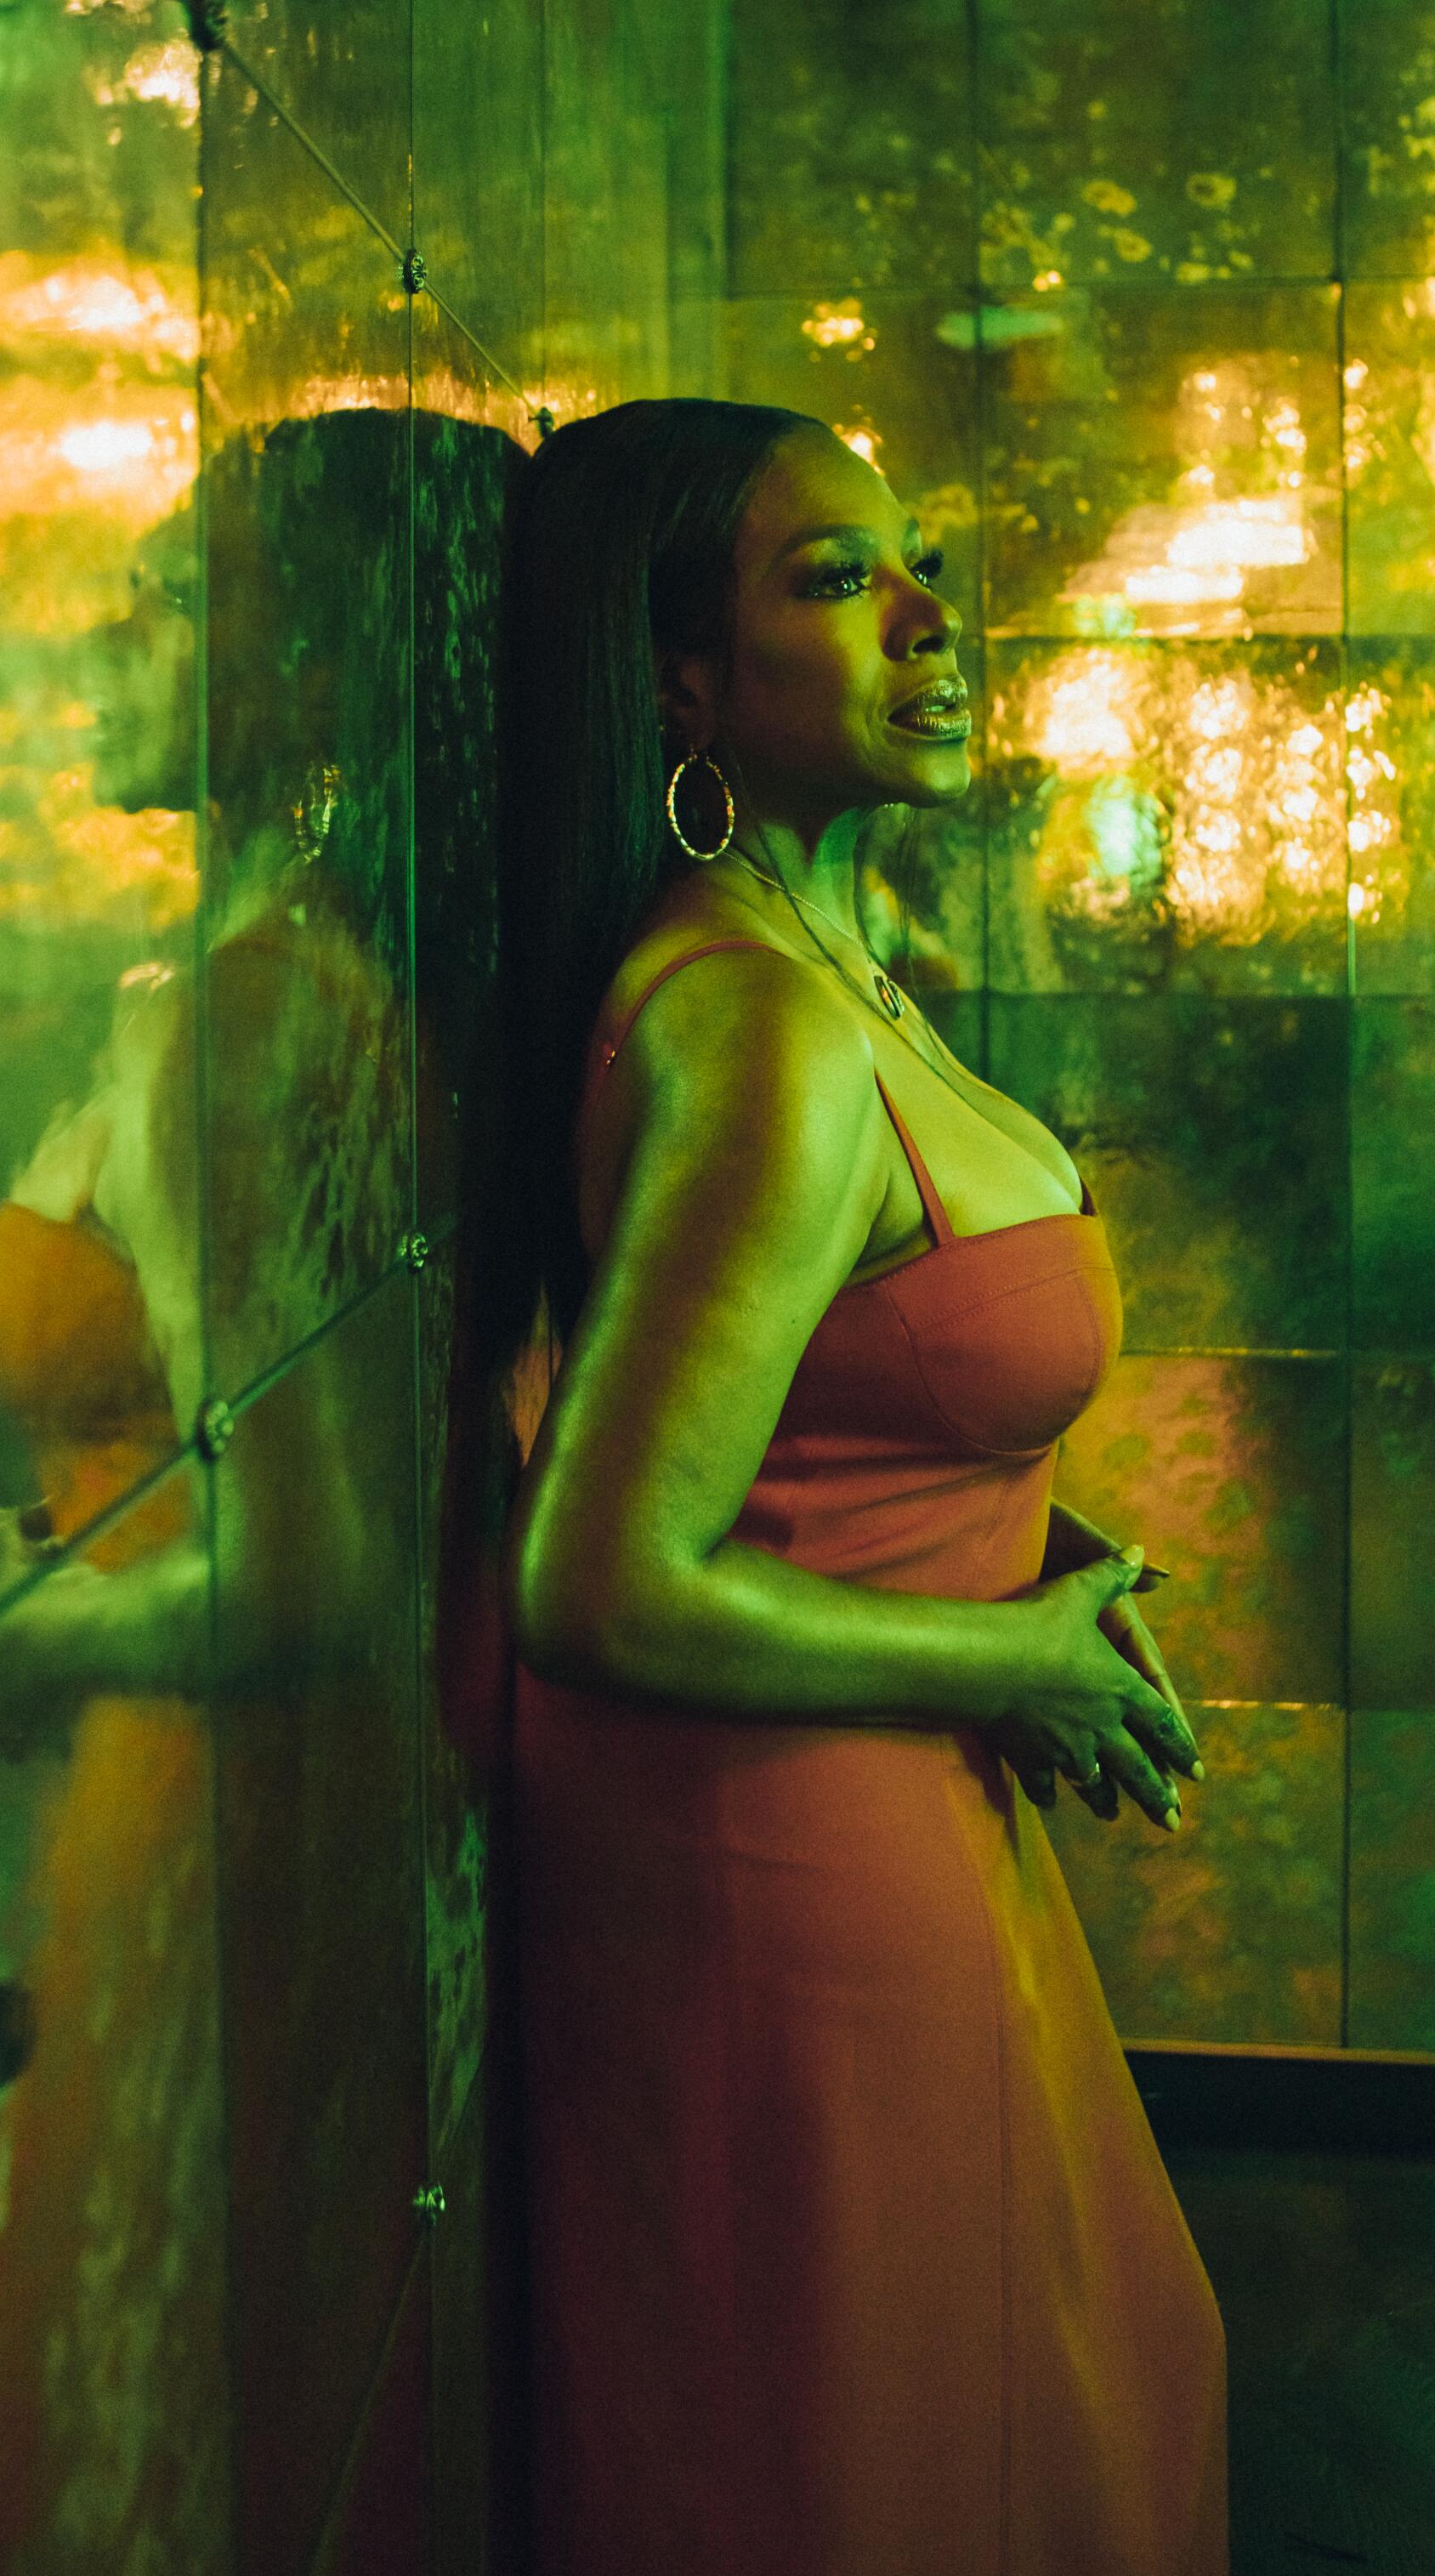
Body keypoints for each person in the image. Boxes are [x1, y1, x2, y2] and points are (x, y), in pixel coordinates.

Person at [492, 400, 1228, 2575]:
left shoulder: (834, 972)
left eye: (914, 560)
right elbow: (601, 1581)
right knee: (865, 2446)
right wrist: (1009, 1659)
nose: (930, 619)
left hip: (892, 1804)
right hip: (781, 1857)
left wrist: (1033, 1551)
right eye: (834, 580)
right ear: (676, 683)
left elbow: (828, 1410)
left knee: (1058, 2387)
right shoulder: (756, 1027)